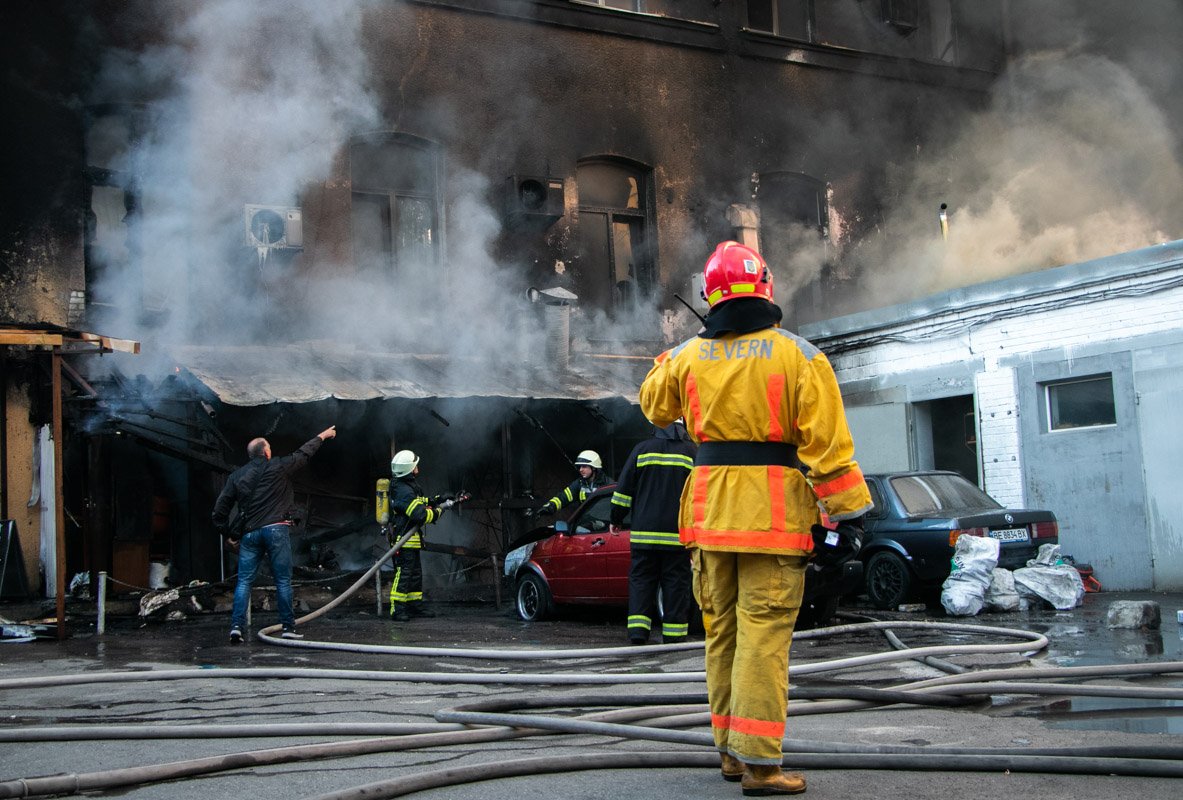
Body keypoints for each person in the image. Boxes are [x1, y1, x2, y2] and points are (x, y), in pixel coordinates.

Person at [639, 241, 871, 796]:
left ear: (710, 296)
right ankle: (762, 766)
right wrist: (852, 514)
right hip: (771, 521)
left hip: (709, 516)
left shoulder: (688, 357)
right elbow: (828, 450)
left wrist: (677, 352)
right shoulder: (801, 357)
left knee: (721, 635)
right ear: (765, 287)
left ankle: (729, 755)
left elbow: (653, 406)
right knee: (763, 640)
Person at [213, 425, 337, 644]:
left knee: (243, 582)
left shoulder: (236, 476)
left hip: (250, 534)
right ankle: (288, 627)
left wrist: (227, 532)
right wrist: (322, 436)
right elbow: (303, 453)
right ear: (266, 452)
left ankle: (236, 628)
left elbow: (219, 510)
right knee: (283, 580)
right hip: (276, 530)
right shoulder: (278, 466)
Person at [609, 421, 696, 645]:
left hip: (643, 536)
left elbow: (623, 490)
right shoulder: (691, 452)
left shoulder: (642, 450)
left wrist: (616, 518)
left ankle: (638, 633)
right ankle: (674, 636)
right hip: (677, 536)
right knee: (676, 584)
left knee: (641, 582)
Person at [386, 449, 457, 622]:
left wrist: (437, 499)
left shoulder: (406, 486)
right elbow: (421, 515)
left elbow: (419, 502)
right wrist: (440, 510)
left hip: (411, 539)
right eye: (415, 464)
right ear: (410, 469)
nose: (418, 466)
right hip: (403, 540)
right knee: (404, 574)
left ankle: (414, 606)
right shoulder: (404, 491)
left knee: (415, 574)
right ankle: (397, 609)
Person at [533, 450, 614, 516]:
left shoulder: (608, 483)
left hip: (606, 524)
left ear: (593, 468)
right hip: (587, 521)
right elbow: (563, 498)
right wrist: (549, 507)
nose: (581, 470)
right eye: (580, 467)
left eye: (584, 466)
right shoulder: (579, 483)